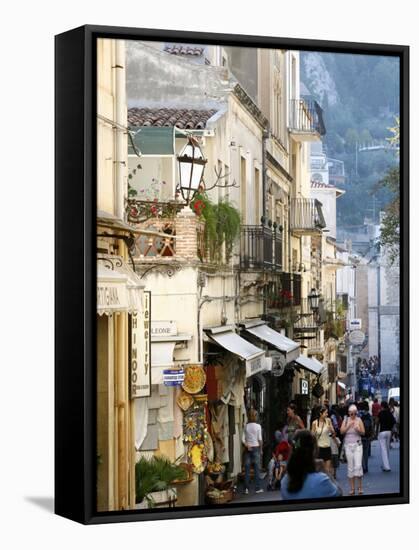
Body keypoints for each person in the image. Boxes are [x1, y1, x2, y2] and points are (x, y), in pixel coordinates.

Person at [280, 430, 342, 500]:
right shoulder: (321, 480)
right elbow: (339, 493)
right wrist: (325, 471)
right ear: (314, 450)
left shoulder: (284, 482)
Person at [340, 404, 365, 495]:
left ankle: (360, 487)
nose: (353, 415)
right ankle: (352, 488)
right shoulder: (346, 420)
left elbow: (363, 432)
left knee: (358, 465)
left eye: (355, 413)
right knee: (350, 467)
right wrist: (348, 426)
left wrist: (358, 429)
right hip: (348, 445)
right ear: (349, 413)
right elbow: (341, 431)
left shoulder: (359, 420)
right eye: (351, 414)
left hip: (358, 445)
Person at [311, 406, 337, 474]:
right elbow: (312, 437)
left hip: (327, 448)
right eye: (325, 413)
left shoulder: (328, 421)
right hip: (319, 449)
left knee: (327, 471)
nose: (327, 414)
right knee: (319, 470)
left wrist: (331, 430)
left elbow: (334, 434)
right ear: (320, 413)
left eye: (327, 413)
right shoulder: (315, 423)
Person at [243, 409, 264, 494]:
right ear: (255, 416)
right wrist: (261, 449)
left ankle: (246, 489)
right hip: (256, 448)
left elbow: (242, 439)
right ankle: (257, 488)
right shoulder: (258, 426)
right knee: (257, 469)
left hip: (248, 448)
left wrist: (246, 445)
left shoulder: (246, 426)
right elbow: (260, 439)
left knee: (247, 470)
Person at [378, 401, 396, 472]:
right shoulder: (390, 413)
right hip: (389, 432)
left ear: (382, 406)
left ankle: (387, 466)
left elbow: (377, 422)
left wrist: (375, 431)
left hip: (382, 432)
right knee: (387, 448)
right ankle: (385, 465)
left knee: (383, 450)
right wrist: (392, 430)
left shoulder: (380, 413)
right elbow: (394, 422)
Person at [358, 401, 373, 473]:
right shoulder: (369, 415)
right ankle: (366, 467)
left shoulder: (359, 415)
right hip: (367, 436)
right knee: (366, 453)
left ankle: (363, 467)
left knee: (360, 452)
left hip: (360, 435)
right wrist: (372, 435)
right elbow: (372, 425)